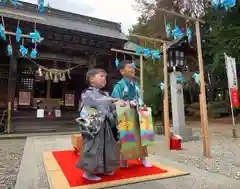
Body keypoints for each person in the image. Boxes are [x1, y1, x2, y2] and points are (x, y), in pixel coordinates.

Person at [76, 68, 120, 181]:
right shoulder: (87, 93)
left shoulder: (105, 94)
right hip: (94, 126)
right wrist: (111, 100)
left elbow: (110, 107)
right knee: (93, 147)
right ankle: (88, 172)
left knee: (107, 147)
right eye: (101, 76)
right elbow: (96, 101)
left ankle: (105, 168)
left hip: (105, 125)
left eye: (105, 77)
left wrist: (119, 105)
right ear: (91, 79)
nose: (104, 78)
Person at [111, 60, 152, 168]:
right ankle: (124, 159)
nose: (133, 69)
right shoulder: (119, 86)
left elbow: (139, 98)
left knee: (141, 135)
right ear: (122, 71)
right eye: (129, 67)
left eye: (133, 67)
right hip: (124, 113)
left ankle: (143, 158)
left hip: (137, 112)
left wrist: (142, 104)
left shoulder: (135, 85)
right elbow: (115, 101)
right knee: (125, 137)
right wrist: (128, 103)